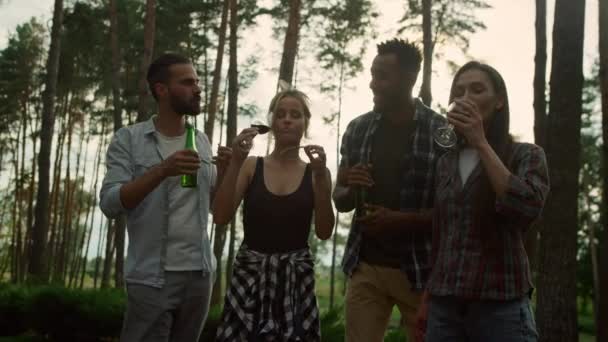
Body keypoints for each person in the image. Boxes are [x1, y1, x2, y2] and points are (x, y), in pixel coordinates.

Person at [99, 52, 230, 342]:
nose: (197, 89)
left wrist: (228, 170)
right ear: (162, 89)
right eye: (187, 82)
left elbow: (214, 207)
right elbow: (110, 203)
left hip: (200, 275)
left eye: (197, 81)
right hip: (151, 278)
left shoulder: (203, 140)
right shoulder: (129, 139)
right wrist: (162, 170)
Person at [416, 61, 550, 342]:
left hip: (501, 308)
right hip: (444, 309)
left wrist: (481, 142)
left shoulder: (526, 155)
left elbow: (525, 209)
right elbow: (442, 235)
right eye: (459, 91)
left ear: (499, 101)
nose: (465, 98)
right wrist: (427, 298)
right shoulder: (445, 163)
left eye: (477, 90)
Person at [333, 38, 446, 342]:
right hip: (365, 266)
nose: (373, 84)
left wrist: (400, 220)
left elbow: (454, 212)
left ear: (410, 79)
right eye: (372, 74)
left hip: (421, 271)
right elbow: (340, 200)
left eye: (382, 76)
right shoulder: (358, 129)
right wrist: (350, 187)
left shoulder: (442, 133)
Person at [213, 88, 335, 341]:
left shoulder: (317, 173)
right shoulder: (250, 166)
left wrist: (322, 178)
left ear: (305, 123)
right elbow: (221, 216)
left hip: (296, 284)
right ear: (272, 123)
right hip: (249, 280)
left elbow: (324, 232)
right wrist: (235, 161)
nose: (287, 119)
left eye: (295, 114)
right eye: (280, 114)